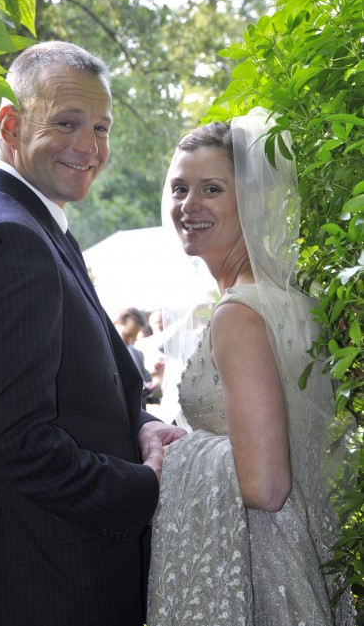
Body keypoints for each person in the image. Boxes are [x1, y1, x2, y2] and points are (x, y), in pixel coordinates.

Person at [0, 41, 186, 626]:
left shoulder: (23, 222)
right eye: (66, 123)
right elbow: (10, 440)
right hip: (34, 589)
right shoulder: (8, 238)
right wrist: (144, 489)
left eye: (100, 127)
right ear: (10, 124)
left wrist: (142, 428)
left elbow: (70, 392)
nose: (90, 148)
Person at [147, 107, 356, 625]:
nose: (188, 205)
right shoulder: (293, 298)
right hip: (304, 552)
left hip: (256, 569)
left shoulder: (239, 313)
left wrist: (181, 455)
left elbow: (265, 485)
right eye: (179, 189)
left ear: (256, 200)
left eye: (211, 189)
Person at [113, 307, 159, 408]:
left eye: (134, 336)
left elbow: (147, 383)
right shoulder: (104, 354)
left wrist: (151, 387)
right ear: (115, 324)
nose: (130, 340)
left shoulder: (138, 354)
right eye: (127, 335)